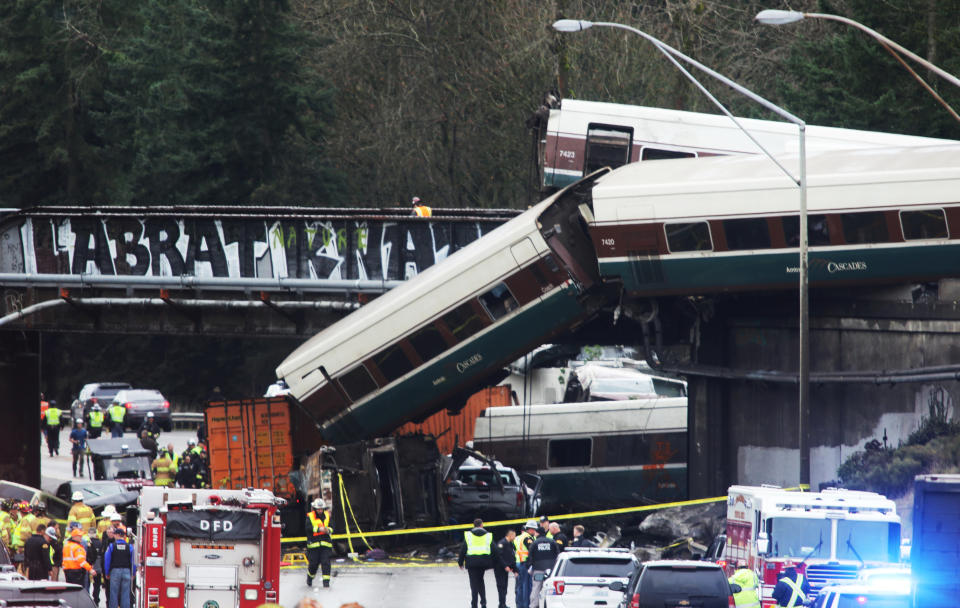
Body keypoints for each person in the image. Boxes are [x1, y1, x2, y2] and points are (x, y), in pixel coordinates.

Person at [458, 518, 493, 608]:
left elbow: (463, 550)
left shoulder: (469, 536)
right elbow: (494, 549)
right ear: (481, 525)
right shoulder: (487, 535)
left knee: (473, 584)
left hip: (471, 563)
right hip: (482, 563)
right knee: (481, 581)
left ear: (474, 525)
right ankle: (483, 603)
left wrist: (460, 562)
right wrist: (494, 563)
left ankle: (474, 604)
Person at [526, 525, 560, 608]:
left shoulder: (535, 543)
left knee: (536, 588)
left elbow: (530, 556)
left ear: (538, 533)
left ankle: (534, 605)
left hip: (538, 570)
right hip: (551, 571)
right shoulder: (552, 542)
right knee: (550, 588)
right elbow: (558, 554)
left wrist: (529, 566)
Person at [104, 524, 135, 608]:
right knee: (125, 593)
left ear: (117, 535)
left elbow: (107, 561)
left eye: (114, 534)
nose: (113, 536)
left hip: (115, 572)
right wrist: (133, 573)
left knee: (113, 593)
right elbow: (133, 561)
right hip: (127, 571)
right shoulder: (130, 547)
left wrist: (107, 573)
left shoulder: (111, 546)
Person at [305, 498, 333, 588]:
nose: (320, 511)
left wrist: (328, 530)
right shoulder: (310, 516)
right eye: (318, 509)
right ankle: (310, 578)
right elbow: (308, 528)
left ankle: (326, 583)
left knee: (326, 563)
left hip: (325, 544)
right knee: (313, 565)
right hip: (313, 545)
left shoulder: (327, 515)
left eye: (321, 509)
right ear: (315, 508)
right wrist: (318, 529)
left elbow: (333, 527)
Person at [514, 520, 537, 608]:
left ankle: (520, 605)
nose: (535, 532)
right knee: (526, 587)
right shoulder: (528, 538)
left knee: (520, 586)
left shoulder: (520, 537)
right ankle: (526, 605)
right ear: (531, 529)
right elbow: (532, 549)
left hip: (519, 562)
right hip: (525, 564)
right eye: (534, 530)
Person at [493, 529, 518, 608]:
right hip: (499, 569)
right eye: (514, 535)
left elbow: (511, 557)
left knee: (505, 587)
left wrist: (515, 570)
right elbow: (499, 557)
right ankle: (501, 604)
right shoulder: (502, 543)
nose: (515, 537)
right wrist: (505, 566)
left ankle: (503, 603)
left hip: (505, 569)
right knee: (501, 586)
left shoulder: (510, 544)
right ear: (510, 535)